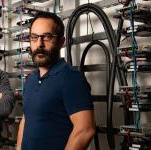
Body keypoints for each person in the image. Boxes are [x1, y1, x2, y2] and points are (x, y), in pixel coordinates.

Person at [16, 12, 95, 150]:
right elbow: (26, 119)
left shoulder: (71, 78)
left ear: (61, 42)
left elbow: (85, 130)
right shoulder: (31, 80)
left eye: (47, 37)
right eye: (34, 37)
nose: (39, 44)